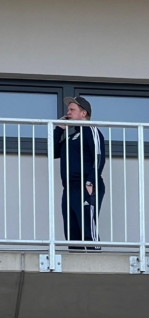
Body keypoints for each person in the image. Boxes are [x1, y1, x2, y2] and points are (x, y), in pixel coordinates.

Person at [53, 96, 106, 249]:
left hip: (86, 185)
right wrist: (59, 129)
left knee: (87, 228)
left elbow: (99, 156)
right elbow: (53, 152)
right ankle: (75, 261)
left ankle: (95, 259)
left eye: (72, 110)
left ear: (83, 113)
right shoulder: (71, 138)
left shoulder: (91, 130)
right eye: (68, 110)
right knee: (71, 231)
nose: (68, 113)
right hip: (69, 189)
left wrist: (91, 181)